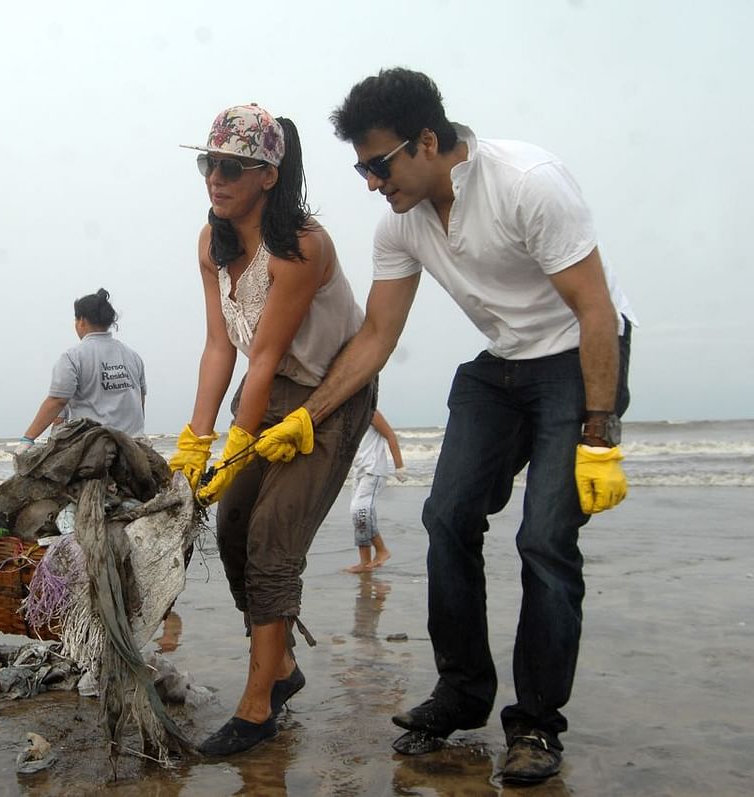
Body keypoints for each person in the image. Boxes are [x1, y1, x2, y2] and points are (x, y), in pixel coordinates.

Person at [254, 69, 635, 784]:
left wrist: (598, 436)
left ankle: (536, 726)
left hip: (577, 360)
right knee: (447, 515)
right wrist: (309, 415)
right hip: (501, 368)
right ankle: (462, 692)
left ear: (427, 140)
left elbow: (594, 311)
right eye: (360, 167)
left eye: (378, 163)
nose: (371, 181)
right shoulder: (401, 222)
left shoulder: (528, 183)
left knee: (544, 539)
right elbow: (374, 337)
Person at [169, 103, 374, 756]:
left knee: (271, 537)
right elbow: (218, 348)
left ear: (268, 175)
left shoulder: (301, 246)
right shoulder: (212, 243)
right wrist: (193, 446)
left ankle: (257, 707)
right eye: (209, 163)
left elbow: (261, 357)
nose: (216, 177)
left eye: (233, 166)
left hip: (330, 393)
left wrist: (232, 448)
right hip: (271, 387)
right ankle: (281, 665)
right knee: (231, 530)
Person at [17, 288, 146, 453]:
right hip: (135, 446)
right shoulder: (133, 356)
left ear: (82, 321)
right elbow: (140, 401)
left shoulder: (73, 356)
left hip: (93, 447)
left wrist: (27, 439)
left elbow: (57, 401)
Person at [345, 409, 405, 574]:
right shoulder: (352, 416)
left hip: (374, 470)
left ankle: (382, 550)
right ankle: (364, 562)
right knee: (359, 515)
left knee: (359, 511)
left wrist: (399, 467)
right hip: (359, 471)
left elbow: (391, 435)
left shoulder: (371, 413)